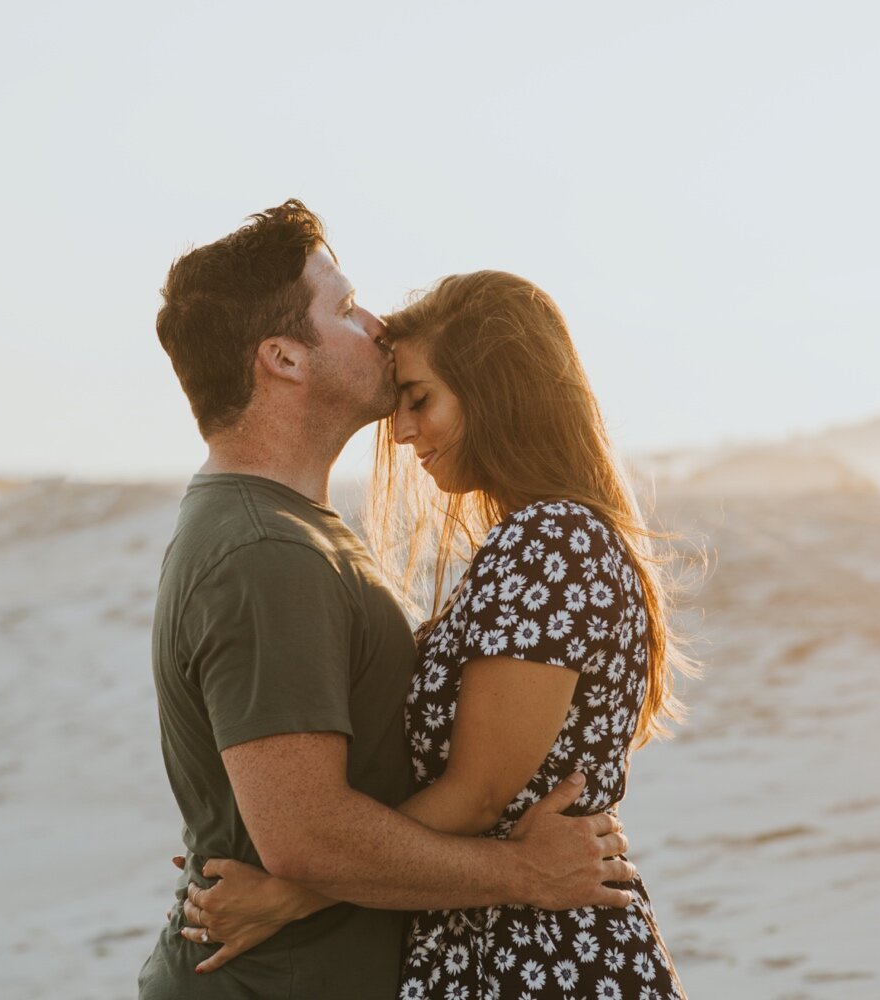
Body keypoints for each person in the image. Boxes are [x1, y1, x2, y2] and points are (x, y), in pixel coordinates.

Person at [139, 202, 638, 1000]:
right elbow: (307, 837)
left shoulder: (298, 533)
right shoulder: (267, 552)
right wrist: (524, 871)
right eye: (342, 308)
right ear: (284, 359)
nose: (374, 326)